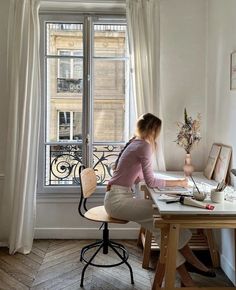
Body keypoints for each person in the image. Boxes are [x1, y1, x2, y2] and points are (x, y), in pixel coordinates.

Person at [104, 113, 215, 287]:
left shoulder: (135, 142)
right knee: (163, 220)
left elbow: (142, 177)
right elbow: (150, 181)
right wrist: (178, 182)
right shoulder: (144, 147)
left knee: (163, 228)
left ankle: (188, 268)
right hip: (117, 201)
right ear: (154, 130)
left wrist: (168, 184)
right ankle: (189, 268)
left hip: (116, 197)